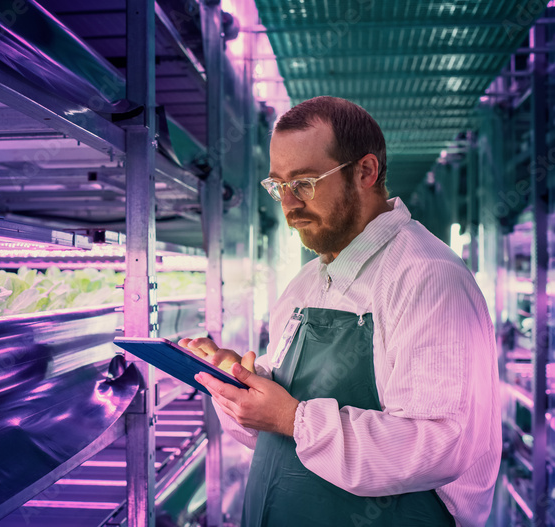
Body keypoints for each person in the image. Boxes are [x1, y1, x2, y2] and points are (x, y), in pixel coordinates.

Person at [181, 96, 500, 526]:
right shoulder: (305, 285)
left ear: (365, 172)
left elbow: (439, 446)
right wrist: (237, 386)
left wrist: (293, 418)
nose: (289, 204)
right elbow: (279, 434)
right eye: (278, 185)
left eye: (305, 182)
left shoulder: (428, 278)